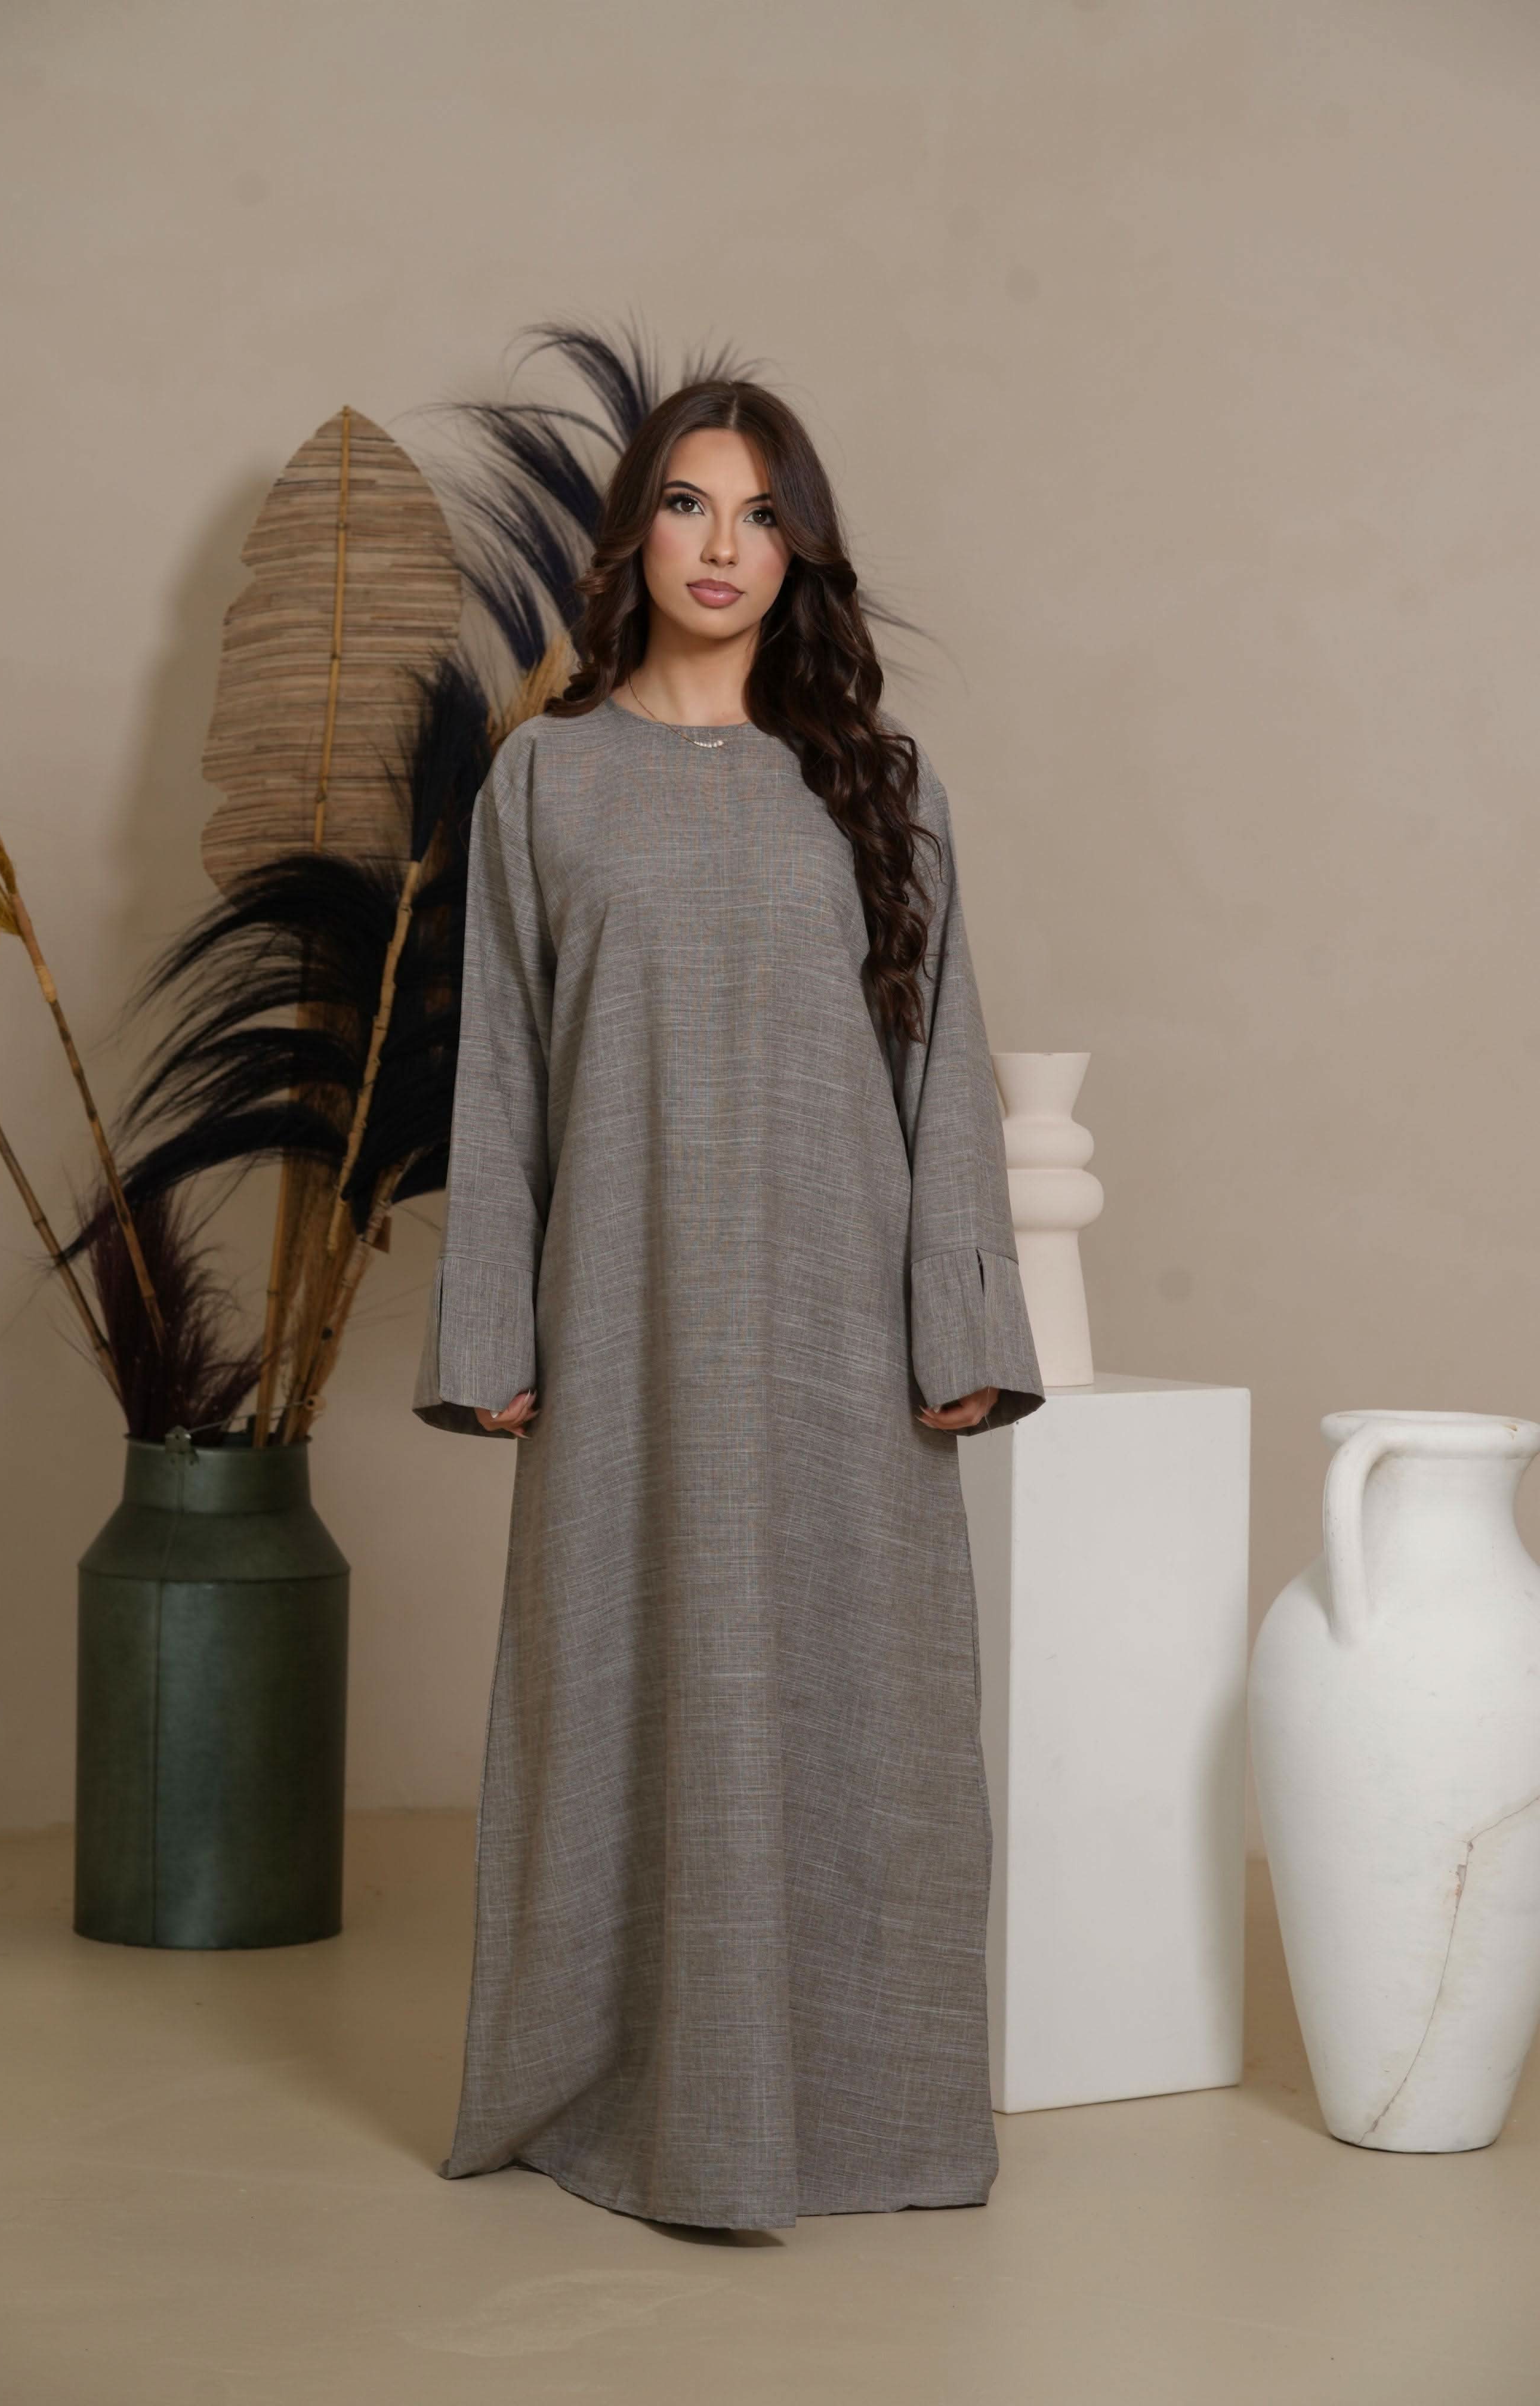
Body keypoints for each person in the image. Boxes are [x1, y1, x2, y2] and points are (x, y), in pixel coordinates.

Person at [413, 374, 1044, 2231]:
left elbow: (945, 1069)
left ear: (800, 554)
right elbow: (500, 1074)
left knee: (861, 1710)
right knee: (623, 1692)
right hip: (622, 1324)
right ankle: (633, 2097)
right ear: (639, 535)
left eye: (761, 516)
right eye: (689, 506)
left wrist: (960, 1326)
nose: (721, 547)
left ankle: (864, 2111)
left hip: (843, 1333)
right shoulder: (546, 780)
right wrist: (493, 1335)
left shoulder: (883, 785)